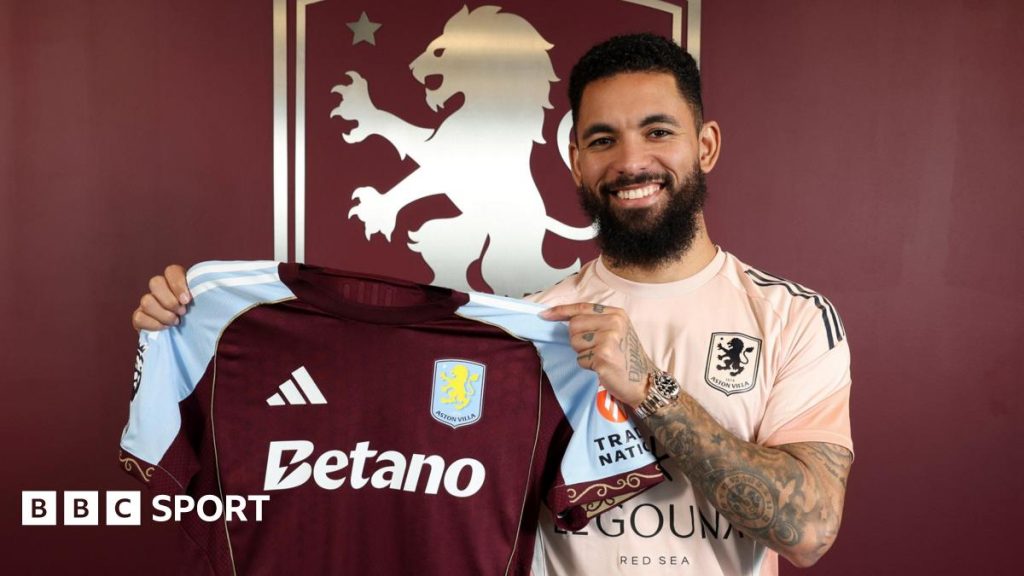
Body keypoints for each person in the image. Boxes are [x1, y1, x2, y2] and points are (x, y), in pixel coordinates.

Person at [132, 33, 852, 576]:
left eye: (658, 131)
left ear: (707, 145)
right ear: (576, 160)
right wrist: (185, 323)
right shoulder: (526, 330)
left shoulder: (791, 319)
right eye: (603, 140)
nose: (631, 161)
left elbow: (810, 531)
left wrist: (651, 389)